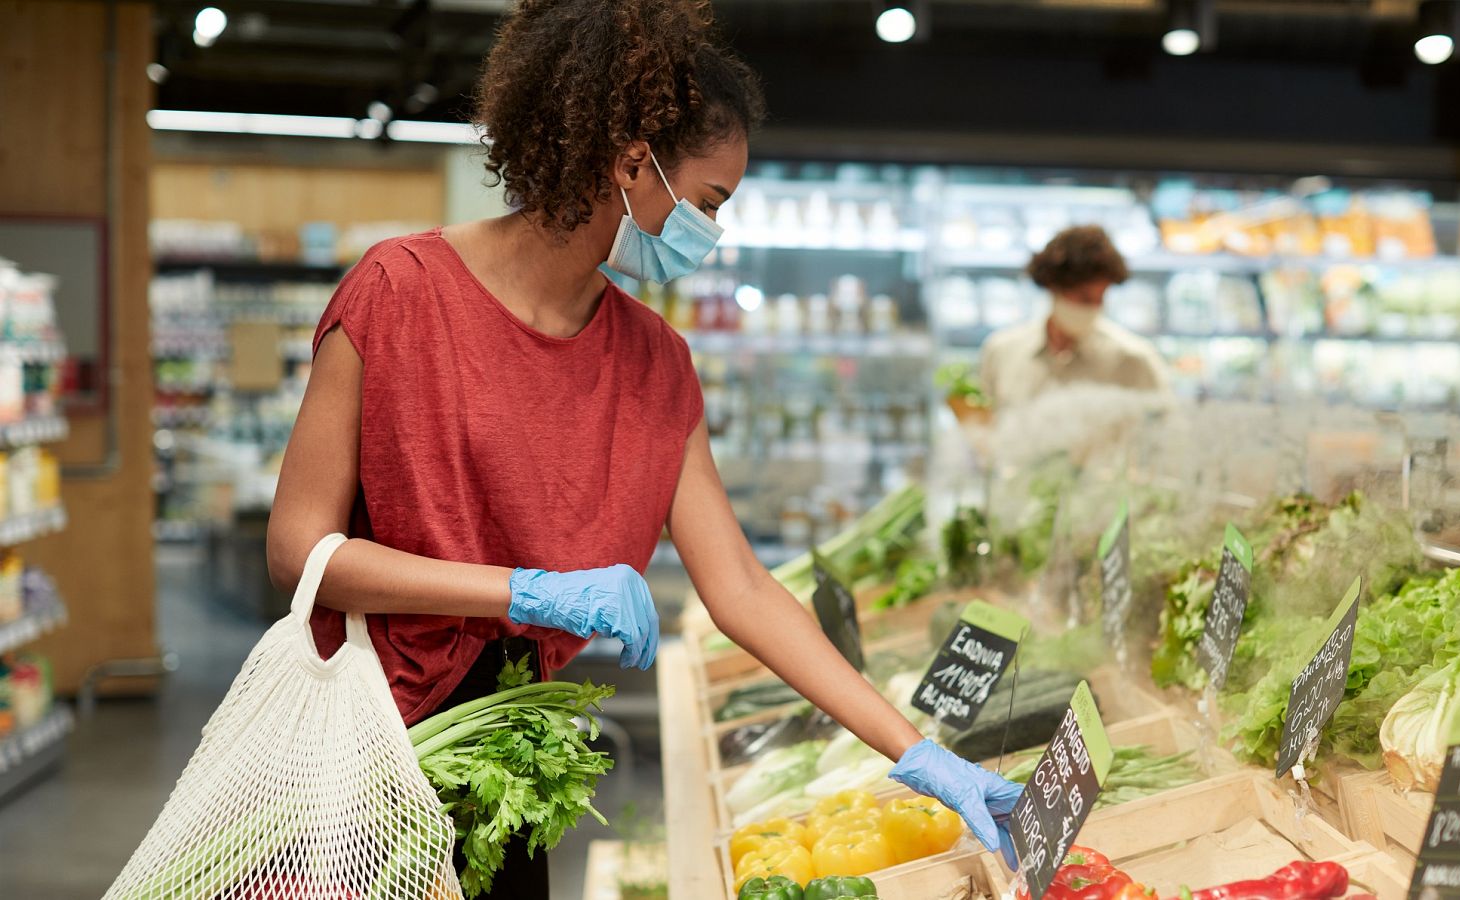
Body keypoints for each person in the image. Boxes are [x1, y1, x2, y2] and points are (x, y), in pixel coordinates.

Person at [264, 1, 1019, 896]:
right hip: (360, 754)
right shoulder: (399, 294)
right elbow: (299, 551)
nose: (712, 233)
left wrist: (919, 751)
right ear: (631, 165)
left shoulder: (656, 363)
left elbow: (739, 587)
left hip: (508, 759)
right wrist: (523, 590)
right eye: (708, 203)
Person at [979, 225, 1169, 413]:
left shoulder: (1134, 359)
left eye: (1100, 297)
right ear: (1054, 288)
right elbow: (982, 424)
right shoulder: (1002, 351)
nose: (1093, 307)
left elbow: (1163, 430)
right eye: (1084, 297)